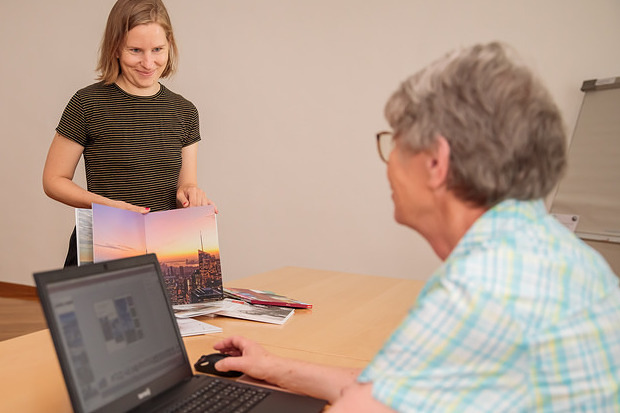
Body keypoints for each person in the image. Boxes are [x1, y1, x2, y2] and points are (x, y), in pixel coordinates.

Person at [211, 42, 620, 412]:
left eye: (396, 142)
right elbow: (391, 389)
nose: (388, 163)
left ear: (436, 163)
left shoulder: (477, 287)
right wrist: (273, 368)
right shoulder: (558, 255)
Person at [42, 0, 216, 267]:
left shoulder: (185, 111)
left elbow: (185, 186)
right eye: (135, 50)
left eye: (158, 49)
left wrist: (192, 195)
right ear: (115, 48)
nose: (148, 62)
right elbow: (54, 180)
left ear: (170, 46)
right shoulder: (87, 103)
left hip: (163, 250)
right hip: (102, 244)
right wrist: (108, 207)